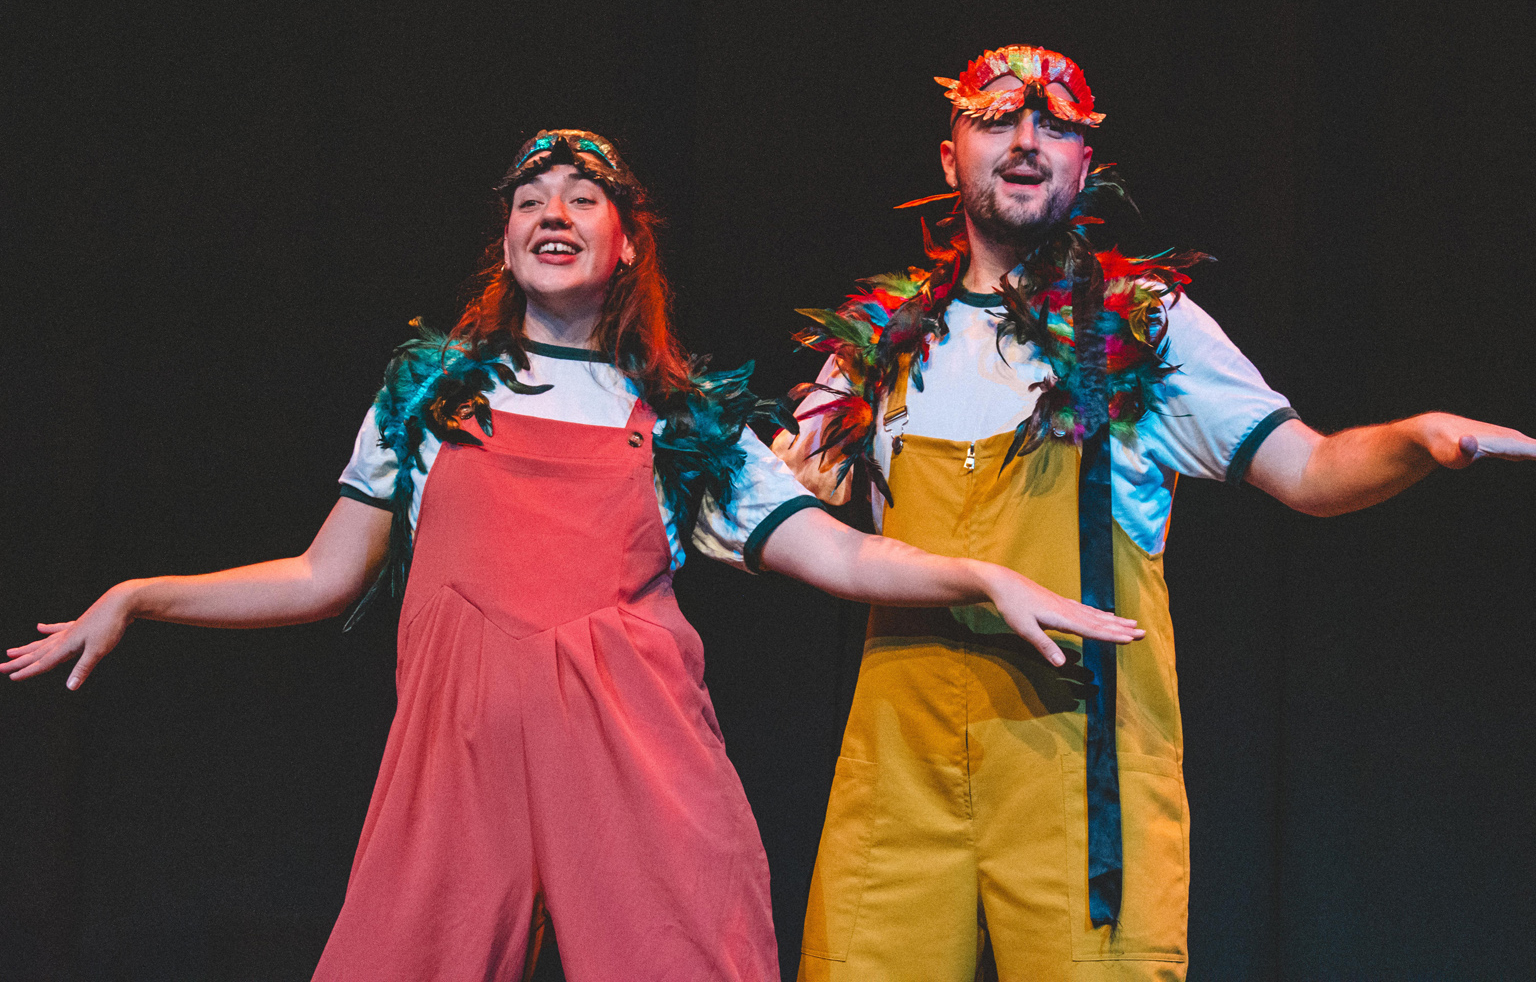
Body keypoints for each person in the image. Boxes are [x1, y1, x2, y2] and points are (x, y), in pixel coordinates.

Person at [3, 129, 1142, 982]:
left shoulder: (682, 422)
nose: (554, 212)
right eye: (530, 201)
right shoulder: (429, 401)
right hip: (455, 769)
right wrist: (141, 596)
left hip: (635, 769)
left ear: (625, 242)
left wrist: (978, 576)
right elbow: (320, 576)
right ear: (506, 242)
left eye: (583, 198)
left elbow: (840, 558)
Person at [775, 46, 1536, 982]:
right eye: (998, 118)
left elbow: (1309, 470)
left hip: (1080, 782)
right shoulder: (880, 345)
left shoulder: (1143, 326)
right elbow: (777, 512)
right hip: (899, 786)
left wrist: (1415, 439)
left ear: (1084, 162)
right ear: (949, 155)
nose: (1026, 140)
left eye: (1056, 124)